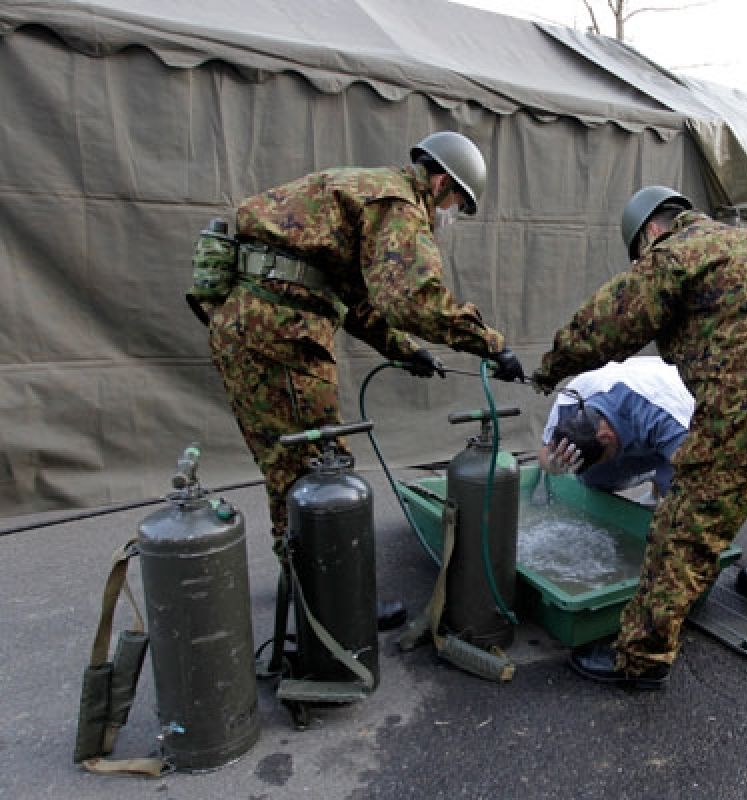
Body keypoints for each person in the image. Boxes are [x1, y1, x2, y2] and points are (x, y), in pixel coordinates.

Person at [188, 131, 527, 623]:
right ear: (439, 181)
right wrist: (492, 344)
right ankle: (337, 606)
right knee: (320, 466)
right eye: (456, 202)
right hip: (278, 333)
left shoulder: (363, 191)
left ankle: (309, 590)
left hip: (249, 325)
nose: (450, 214)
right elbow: (410, 299)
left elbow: (355, 303)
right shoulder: (398, 203)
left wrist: (406, 352)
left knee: (290, 466)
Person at [531, 186, 747, 689]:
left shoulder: (672, 253)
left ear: (650, 232)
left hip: (746, 405)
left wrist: (551, 368)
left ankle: (640, 655)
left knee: (683, 529)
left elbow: (609, 323)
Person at [539, 356, 693, 505]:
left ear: (606, 437)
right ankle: (651, 474)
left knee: (683, 497)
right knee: (592, 478)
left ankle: (661, 477)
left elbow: (701, 474)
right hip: (629, 396)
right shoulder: (568, 403)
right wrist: (553, 466)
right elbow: (545, 452)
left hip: (673, 402)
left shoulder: (661, 418)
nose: (607, 460)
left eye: (606, 457)